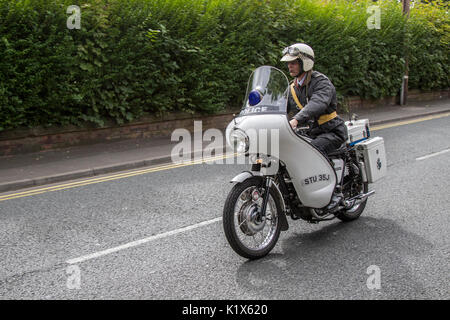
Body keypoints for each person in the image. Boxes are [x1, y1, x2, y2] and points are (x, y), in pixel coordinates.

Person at [281, 43, 348, 211]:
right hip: (309, 133)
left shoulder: (321, 83)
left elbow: (317, 103)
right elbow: (278, 107)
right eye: (288, 62)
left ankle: (333, 193)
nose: (290, 65)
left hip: (331, 131)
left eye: (294, 62)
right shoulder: (292, 87)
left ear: (306, 63)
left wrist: (296, 119)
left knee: (313, 151)